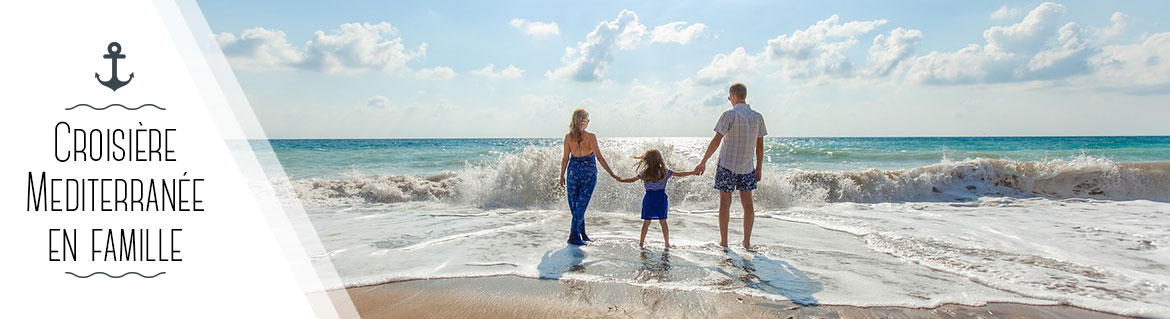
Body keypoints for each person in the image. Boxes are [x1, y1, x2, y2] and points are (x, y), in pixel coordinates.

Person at [694, 83, 767, 249]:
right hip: (748, 167)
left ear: (733, 96)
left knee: (724, 203)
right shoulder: (757, 117)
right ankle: (746, 243)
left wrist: (703, 161)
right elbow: (760, 146)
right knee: (747, 204)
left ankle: (724, 242)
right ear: (745, 96)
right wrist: (760, 168)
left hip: (727, 165)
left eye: (729, 98)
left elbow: (716, 140)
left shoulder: (729, 115)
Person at [617, 149, 698, 249]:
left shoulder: (644, 173)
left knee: (646, 222)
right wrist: (693, 172)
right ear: (659, 159)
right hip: (660, 198)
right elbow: (680, 174)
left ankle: (641, 243)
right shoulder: (665, 172)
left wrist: (621, 180)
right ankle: (667, 244)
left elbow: (632, 180)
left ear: (646, 160)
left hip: (649, 198)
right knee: (663, 221)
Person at [559, 109, 618, 245]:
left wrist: (562, 174)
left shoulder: (568, 137)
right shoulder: (590, 137)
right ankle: (574, 236)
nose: (589, 122)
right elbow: (599, 156)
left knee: (577, 205)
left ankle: (582, 234)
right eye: (587, 120)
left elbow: (565, 158)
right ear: (583, 122)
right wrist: (611, 173)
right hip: (588, 172)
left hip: (573, 170)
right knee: (579, 205)